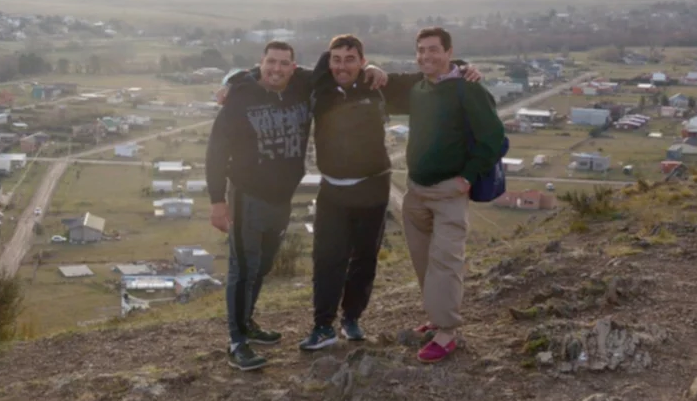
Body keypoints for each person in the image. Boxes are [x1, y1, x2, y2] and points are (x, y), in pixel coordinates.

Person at [206, 42, 388, 370]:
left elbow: (337, 65)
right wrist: (217, 200)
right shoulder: (241, 96)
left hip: (282, 199)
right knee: (243, 269)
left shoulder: (303, 84)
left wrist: (371, 67)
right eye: (270, 62)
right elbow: (216, 150)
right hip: (247, 196)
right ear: (260, 63)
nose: (276, 69)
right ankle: (237, 342)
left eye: (283, 63)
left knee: (262, 266)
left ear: (294, 67)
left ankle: (247, 323)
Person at [299, 36, 481, 351]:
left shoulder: (379, 86)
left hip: (373, 186)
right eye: (336, 59)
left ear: (362, 61)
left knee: (365, 258)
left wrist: (463, 67)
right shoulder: (318, 87)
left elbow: (428, 76)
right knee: (327, 259)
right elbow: (274, 73)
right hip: (332, 189)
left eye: (350, 59)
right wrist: (232, 83)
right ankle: (323, 326)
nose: (342, 66)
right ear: (328, 62)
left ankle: (352, 318)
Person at [395, 27, 506, 363]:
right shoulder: (419, 87)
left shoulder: (468, 89)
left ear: (449, 52)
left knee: (445, 262)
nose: (426, 56)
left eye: (433, 49)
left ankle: (446, 332)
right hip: (416, 191)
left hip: (449, 192)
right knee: (424, 261)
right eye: (421, 50)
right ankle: (435, 317)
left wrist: (468, 176)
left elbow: (494, 138)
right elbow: (379, 83)